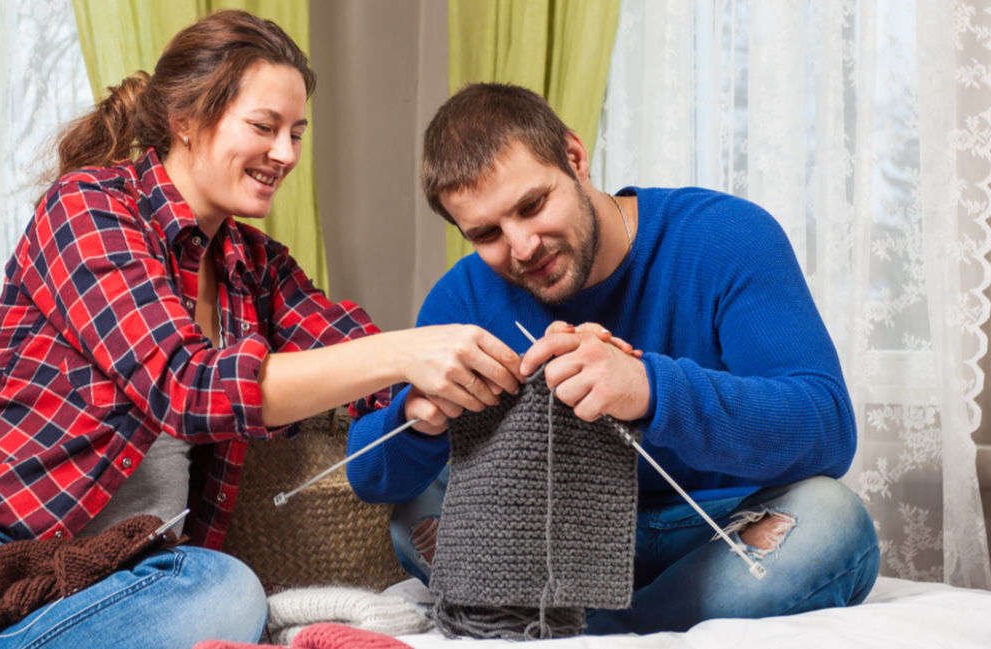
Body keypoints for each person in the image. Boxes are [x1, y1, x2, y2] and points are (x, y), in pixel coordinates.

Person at [0, 12, 523, 649]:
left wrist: (450, 389)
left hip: (111, 576)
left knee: (226, 590)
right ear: (186, 120)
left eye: (297, 132)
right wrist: (408, 351)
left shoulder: (256, 268)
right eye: (265, 127)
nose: (287, 155)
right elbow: (187, 385)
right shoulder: (88, 210)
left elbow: (364, 368)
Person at [345, 82, 880, 635]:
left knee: (833, 521)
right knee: (416, 516)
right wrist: (417, 420)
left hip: (717, 528)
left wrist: (650, 388)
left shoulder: (725, 236)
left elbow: (828, 426)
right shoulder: (465, 298)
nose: (523, 247)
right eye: (486, 234)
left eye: (532, 206)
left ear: (575, 159)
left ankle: (595, 630)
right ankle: (617, 616)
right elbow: (367, 475)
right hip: (555, 541)